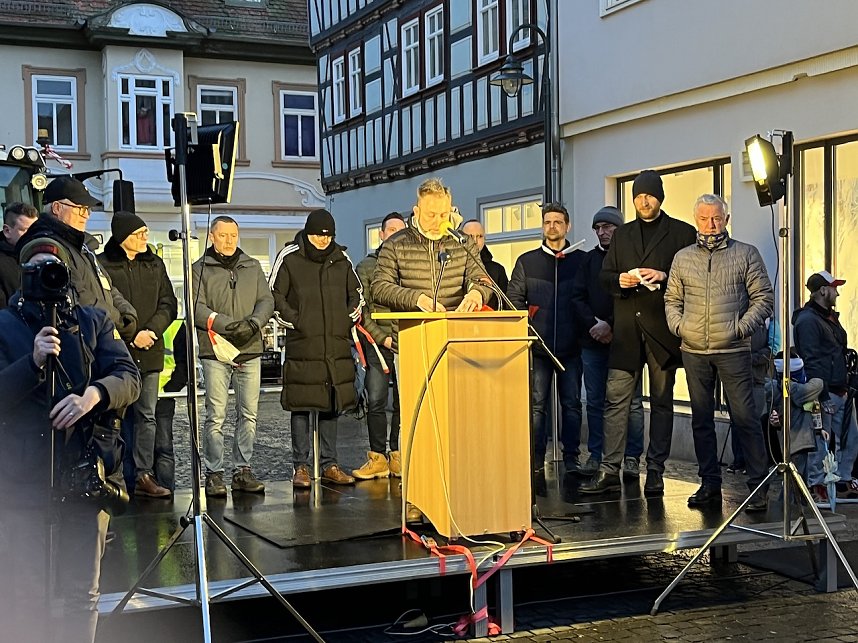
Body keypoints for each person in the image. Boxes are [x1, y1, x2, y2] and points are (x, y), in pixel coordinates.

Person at [0, 238, 140, 643]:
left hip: (83, 474)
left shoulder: (93, 320)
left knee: (83, 592)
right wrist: (32, 362)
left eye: (55, 267)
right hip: (23, 480)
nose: (48, 274)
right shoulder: (5, 325)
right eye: (38, 268)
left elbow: (128, 377)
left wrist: (94, 395)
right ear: (24, 275)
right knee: (24, 593)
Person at [372, 177, 493, 521]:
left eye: (443, 214)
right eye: (430, 215)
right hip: (412, 344)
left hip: (455, 343)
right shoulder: (396, 245)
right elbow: (379, 287)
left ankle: (457, 490)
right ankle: (415, 495)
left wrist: (475, 294)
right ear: (416, 211)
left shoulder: (461, 244)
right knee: (415, 420)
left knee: (456, 421)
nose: (437, 221)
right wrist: (417, 300)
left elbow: (485, 281)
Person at [580, 170, 696, 496]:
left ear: (660, 197)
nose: (644, 201)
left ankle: (655, 470)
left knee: (661, 403)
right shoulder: (623, 235)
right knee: (615, 401)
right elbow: (605, 277)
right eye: (638, 196)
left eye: (649, 195)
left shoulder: (682, 233)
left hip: (662, 332)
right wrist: (620, 280)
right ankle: (609, 469)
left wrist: (664, 274)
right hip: (627, 331)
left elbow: (693, 278)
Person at [663, 194, 774, 510]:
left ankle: (758, 487)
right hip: (694, 349)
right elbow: (672, 300)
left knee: (745, 419)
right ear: (696, 219)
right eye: (704, 218)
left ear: (726, 219)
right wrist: (681, 328)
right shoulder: (683, 258)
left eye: (716, 218)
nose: (710, 224)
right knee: (701, 420)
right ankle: (709, 484)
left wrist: (739, 329)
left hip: (734, 350)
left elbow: (763, 299)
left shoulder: (745, 254)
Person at [270, 209, 364, 488]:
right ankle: (300, 466)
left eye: (327, 237)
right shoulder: (289, 258)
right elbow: (275, 295)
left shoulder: (341, 259)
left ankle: (329, 464)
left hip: (334, 345)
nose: (322, 241)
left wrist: (343, 320)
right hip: (303, 344)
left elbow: (356, 295)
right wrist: (297, 321)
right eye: (316, 236)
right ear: (307, 233)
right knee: (300, 406)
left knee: (330, 405)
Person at [193, 216, 274, 497]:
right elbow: (197, 307)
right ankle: (214, 473)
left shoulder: (252, 267)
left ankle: (243, 470)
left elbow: (266, 300)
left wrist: (253, 323)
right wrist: (227, 325)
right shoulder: (199, 269)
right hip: (215, 349)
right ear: (212, 237)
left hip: (249, 347)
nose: (229, 241)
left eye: (233, 235)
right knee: (216, 415)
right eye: (223, 235)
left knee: (248, 414)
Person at [100, 212, 178, 498]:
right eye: (139, 233)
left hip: (151, 349)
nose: (145, 237)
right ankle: (115, 474)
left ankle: (143, 475)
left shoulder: (154, 264)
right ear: (123, 238)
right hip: (117, 351)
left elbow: (169, 303)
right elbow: (105, 305)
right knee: (114, 416)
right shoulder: (103, 264)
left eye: (145, 232)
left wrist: (151, 331)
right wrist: (132, 335)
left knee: (146, 415)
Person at [507, 202, 586, 477]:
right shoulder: (527, 261)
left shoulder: (580, 260)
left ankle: (572, 458)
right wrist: (528, 325)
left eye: (557, 222)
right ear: (543, 226)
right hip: (538, 347)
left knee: (572, 405)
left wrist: (583, 329)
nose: (552, 226)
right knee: (537, 406)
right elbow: (514, 298)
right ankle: (536, 459)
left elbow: (587, 300)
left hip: (572, 347)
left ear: (567, 226)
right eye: (547, 222)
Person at [571, 206, 645, 479]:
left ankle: (632, 458)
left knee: (633, 403)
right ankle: (597, 454)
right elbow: (577, 297)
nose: (602, 233)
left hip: (626, 342)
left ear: (619, 228)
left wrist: (611, 325)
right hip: (592, 343)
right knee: (595, 401)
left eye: (607, 227)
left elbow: (635, 299)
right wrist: (594, 324)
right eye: (597, 228)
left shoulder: (632, 260)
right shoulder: (588, 262)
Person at [18, 176, 137, 341]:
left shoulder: (81, 246)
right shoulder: (48, 247)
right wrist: (118, 321)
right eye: (81, 208)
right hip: (72, 342)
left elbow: (107, 285)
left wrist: (127, 313)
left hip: (95, 333)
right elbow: (77, 295)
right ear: (57, 208)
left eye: (87, 209)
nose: (87, 215)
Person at [793, 270, 858, 501]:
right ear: (823, 290)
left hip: (839, 388)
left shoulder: (826, 317)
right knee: (821, 440)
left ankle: (841, 483)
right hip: (826, 391)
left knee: (849, 438)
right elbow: (811, 360)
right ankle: (817, 487)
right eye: (834, 288)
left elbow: (833, 352)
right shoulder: (808, 320)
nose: (837, 292)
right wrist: (821, 397)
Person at [352, 211, 407, 480]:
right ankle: (377, 457)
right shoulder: (366, 267)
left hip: (406, 341)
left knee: (403, 403)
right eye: (391, 230)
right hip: (377, 343)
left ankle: (398, 455)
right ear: (382, 235)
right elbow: (362, 309)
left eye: (401, 230)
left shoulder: (410, 264)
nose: (396, 234)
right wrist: (382, 337)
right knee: (376, 400)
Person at [154, 319, 187, 492]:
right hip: (145, 392)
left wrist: (170, 388)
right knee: (160, 448)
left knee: (163, 447)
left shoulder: (176, 325)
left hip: (163, 394)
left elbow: (184, 365)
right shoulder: (176, 324)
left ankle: (166, 488)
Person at [462, 219, 508, 310]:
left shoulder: (498, 270)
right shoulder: (450, 266)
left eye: (479, 236)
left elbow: (504, 304)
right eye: (470, 236)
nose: (475, 241)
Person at [0, 201, 38, 308]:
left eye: (35, 229)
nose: (33, 235)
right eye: (25, 230)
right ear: (7, 231)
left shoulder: (43, 255)